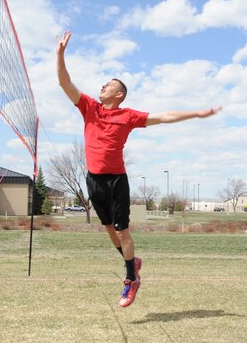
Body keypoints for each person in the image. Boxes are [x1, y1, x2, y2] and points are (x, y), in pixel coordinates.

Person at [56, 31, 221, 308]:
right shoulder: (89, 108)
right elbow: (65, 83)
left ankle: (131, 279)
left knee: (123, 232)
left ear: (118, 94)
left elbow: (164, 116)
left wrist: (196, 113)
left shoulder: (128, 115)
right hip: (93, 179)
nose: (102, 86)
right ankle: (132, 260)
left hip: (116, 180)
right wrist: (60, 54)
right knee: (109, 230)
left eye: (107, 85)